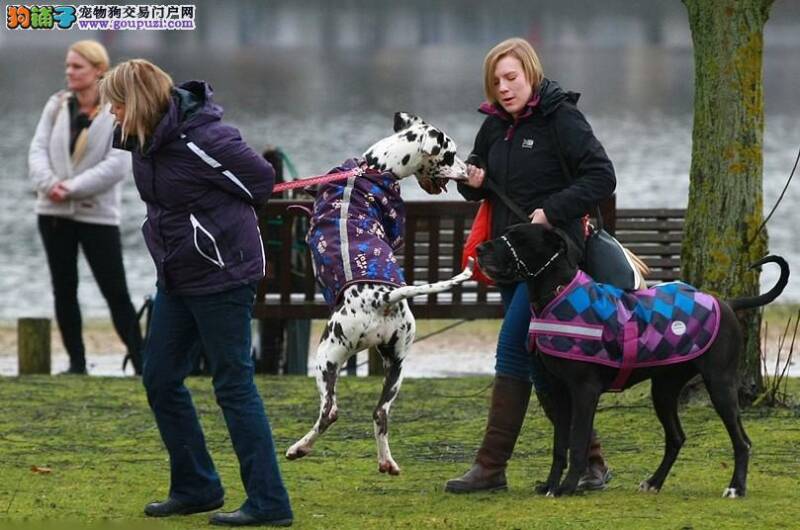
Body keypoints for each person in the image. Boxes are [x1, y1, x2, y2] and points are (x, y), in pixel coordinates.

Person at [99, 59, 293, 527]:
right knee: (160, 377)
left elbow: (261, 182)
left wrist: (212, 222)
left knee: (233, 384)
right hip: (177, 275)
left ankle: (269, 504)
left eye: (117, 105)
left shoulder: (205, 138)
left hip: (224, 273)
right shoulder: (144, 140)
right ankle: (196, 486)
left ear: (139, 103)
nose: (112, 115)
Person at [446, 38, 616, 493]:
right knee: (543, 363)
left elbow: (602, 175)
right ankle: (592, 463)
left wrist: (553, 210)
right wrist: (473, 182)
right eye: (496, 80)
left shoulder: (561, 117)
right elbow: (481, 180)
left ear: (531, 75)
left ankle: (490, 465)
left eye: (511, 78)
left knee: (512, 346)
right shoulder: (495, 125)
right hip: (511, 259)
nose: (504, 88)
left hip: (553, 261)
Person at [28, 40, 142, 375]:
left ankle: (142, 362)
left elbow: (118, 164)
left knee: (115, 291)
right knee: (64, 289)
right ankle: (77, 364)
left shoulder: (116, 110)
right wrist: (51, 185)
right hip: (53, 213)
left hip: (98, 215)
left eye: (77, 67)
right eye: (67, 66)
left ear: (98, 71)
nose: (69, 72)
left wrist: (71, 188)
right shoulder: (56, 105)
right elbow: (37, 151)